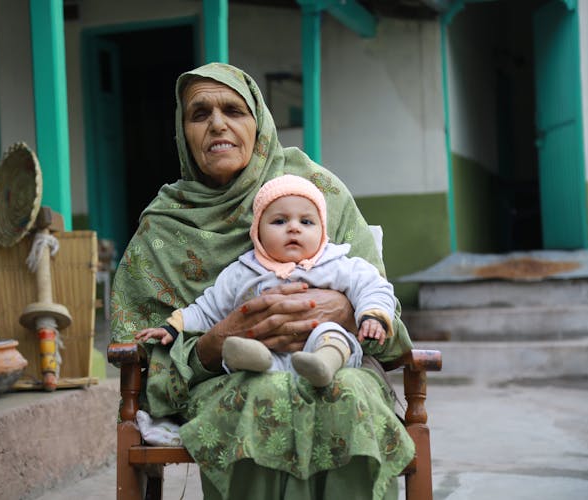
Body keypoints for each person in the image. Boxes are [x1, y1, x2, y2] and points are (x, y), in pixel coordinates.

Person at [110, 62, 415, 500]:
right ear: (183, 133)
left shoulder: (318, 192)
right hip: (230, 377)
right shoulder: (163, 230)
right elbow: (140, 353)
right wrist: (214, 343)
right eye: (199, 115)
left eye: (234, 110)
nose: (218, 125)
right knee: (261, 393)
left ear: (260, 124)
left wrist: (347, 313)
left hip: (336, 359)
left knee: (347, 393)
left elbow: (382, 308)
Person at [135, 174, 396, 388]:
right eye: (280, 221)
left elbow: (372, 286)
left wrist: (372, 315)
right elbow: (207, 309)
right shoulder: (243, 272)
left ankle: (323, 364)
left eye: (306, 221)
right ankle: (252, 360)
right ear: (257, 231)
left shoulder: (337, 264)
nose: (294, 228)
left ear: (322, 231)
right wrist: (174, 326)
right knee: (247, 348)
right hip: (267, 361)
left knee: (331, 334)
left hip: (321, 349)